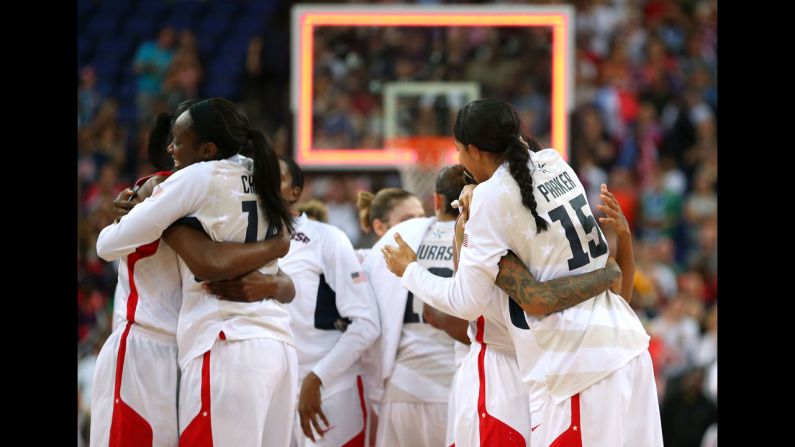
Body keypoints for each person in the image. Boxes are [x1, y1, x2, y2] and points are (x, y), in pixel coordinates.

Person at [384, 98, 661, 446]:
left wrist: (409, 270)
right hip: (628, 347)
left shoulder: (491, 199)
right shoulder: (555, 161)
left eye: (458, 151)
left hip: (577, 367)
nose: (459, 160)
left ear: (473, 150)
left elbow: (467, 303)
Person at [91, 100, 295, 447]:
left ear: (206, 147)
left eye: (179, 139)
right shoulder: (258, 172)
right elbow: (280, 279)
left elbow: (208, 261)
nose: (173, 147)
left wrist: (149, 219)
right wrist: (278, 253)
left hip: (216, 342)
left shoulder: (189, 182)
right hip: (259, 342)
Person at [272, 157, 380, 447]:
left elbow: (367, 324)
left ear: (295, 192)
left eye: (277, 177)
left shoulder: (326, 238)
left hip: (330, 390)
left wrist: (317, 378)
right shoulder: (241, 242)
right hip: (273, 392)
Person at [362, 165, 470, 447]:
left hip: (402, 387)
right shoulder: (480, 238)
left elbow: (363, 283)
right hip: (455, 387)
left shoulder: (400, 235)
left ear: (436, 200)